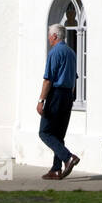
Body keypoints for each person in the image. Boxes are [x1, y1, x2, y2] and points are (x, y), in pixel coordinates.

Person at [37, 24, 80, 180]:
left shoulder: (54, 52)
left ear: (55, 36)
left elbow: (48, 80)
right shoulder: (71, 53)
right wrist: (71, 96)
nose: (49, 38)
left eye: (49, 35)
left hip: (56, 95)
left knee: (45, 132)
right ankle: (56, 169)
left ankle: (68, 157)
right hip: (68, 95)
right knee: (59, 134)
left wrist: (41, 100)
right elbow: (75, 77)